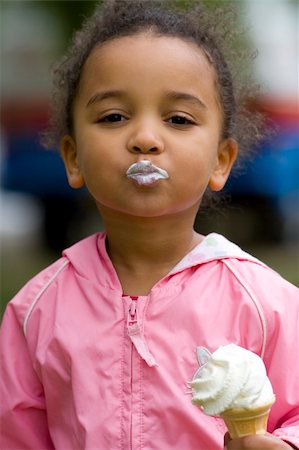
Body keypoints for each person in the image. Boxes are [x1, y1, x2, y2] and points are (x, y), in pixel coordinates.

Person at [0, 1, 298, 449]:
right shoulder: (35, 311)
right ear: (73, 157)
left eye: (178, 119)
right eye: (113, 117)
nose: (144, 138)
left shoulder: (265, 302)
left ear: (221, 161)